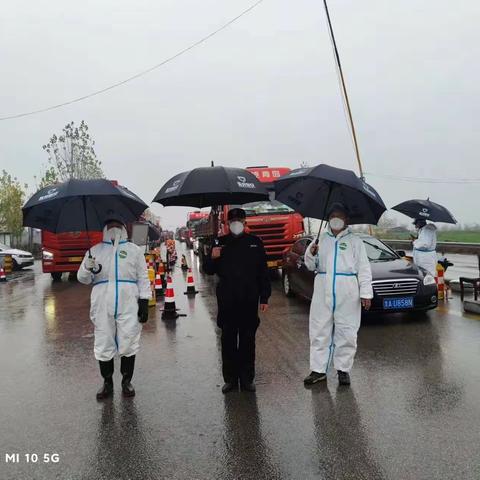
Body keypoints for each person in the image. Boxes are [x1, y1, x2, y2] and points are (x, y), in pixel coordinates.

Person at [78, 216, 151, 399]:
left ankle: (126, 381)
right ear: (104, 228)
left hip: (128, 302)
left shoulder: (134, 251)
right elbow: (83, 279)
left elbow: (143, 277)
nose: (114, 228)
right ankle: (107, 382)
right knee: (104, 342)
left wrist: (144, 301)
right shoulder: (94, 251)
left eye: (118, 225)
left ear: (124, 227)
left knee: (129, 340)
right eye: (110, 225)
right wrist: (87, 267)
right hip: (102, 303)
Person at [303, 203, 373, 386]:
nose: (336, 219)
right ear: (327, 219)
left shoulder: (355, 241)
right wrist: (311, 254)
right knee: (319, 329)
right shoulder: (321, 240)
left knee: (347, 331)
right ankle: (318, 370)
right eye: (332, 215)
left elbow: (364, 269)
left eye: (339, 215)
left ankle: (343, 370)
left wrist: (366, 293)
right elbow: (310, 265)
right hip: (323, 287)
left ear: (346, 219)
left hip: (348, 290)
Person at [204, 208, 271, 394]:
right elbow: (208, 270)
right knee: (228, 341)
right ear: (226, 224)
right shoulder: (219, 243)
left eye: (239, 220)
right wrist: (213, 257)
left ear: (245, 223)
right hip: (227, 300)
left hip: (249, 299)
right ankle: (231, 379)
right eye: (232, 220)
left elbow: (263, 273)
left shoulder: (255, 243)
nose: (235, 223)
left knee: (248, 341)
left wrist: (264, 297)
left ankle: (247, 378)